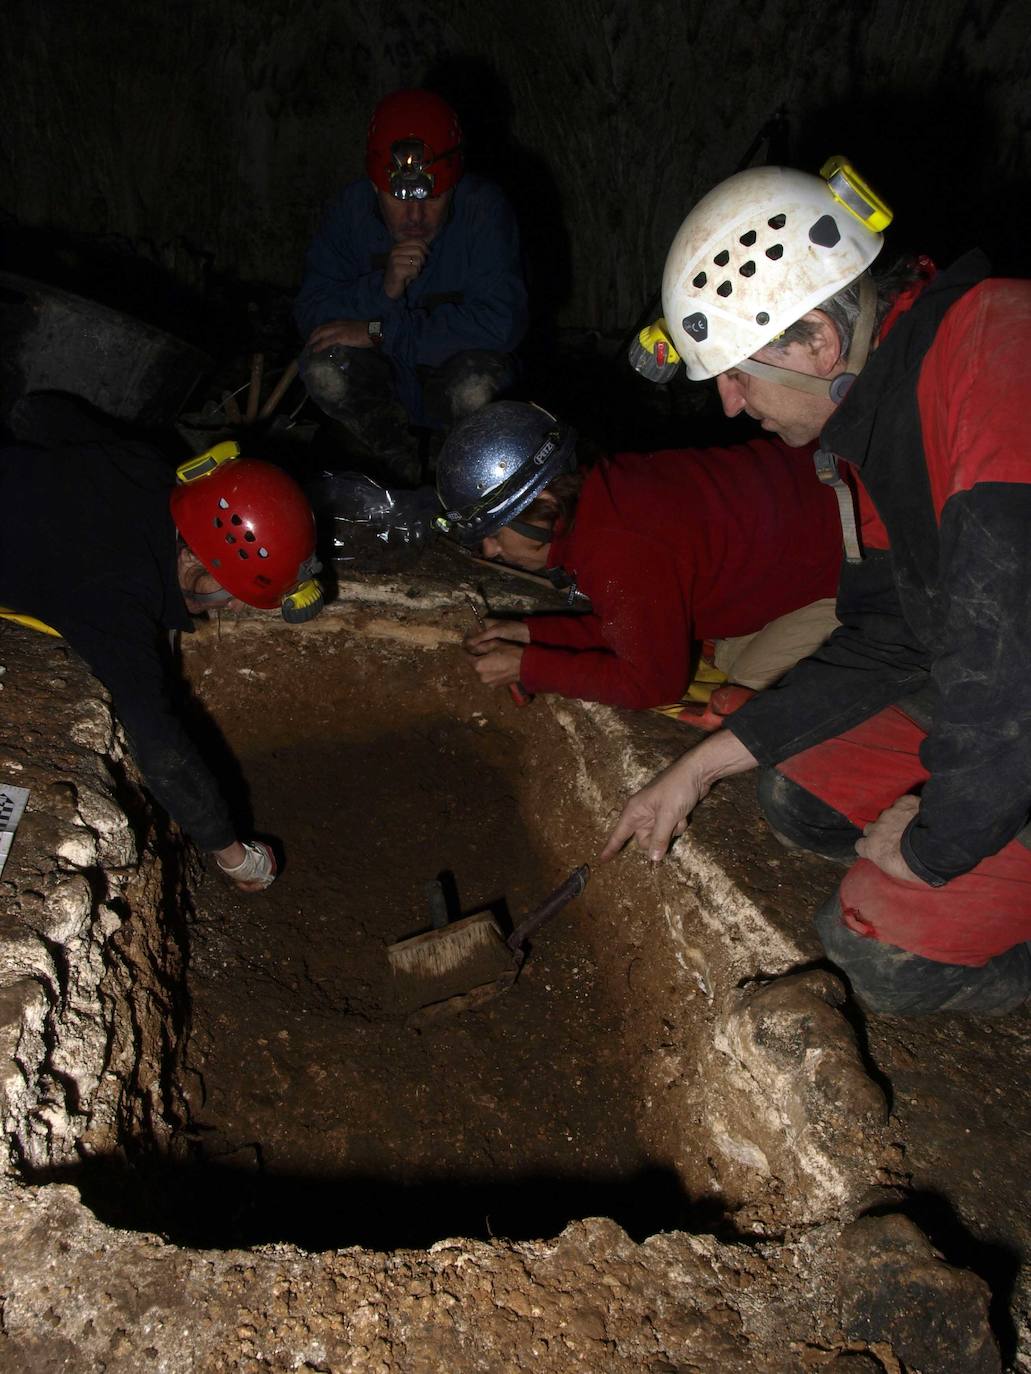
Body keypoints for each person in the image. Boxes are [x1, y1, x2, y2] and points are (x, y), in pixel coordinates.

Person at [601, 159, 1031, 1015]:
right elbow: (889, 637)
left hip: (1014, 694)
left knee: (872, 948)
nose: (727, 404)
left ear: (818, 345)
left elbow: (1007, 668)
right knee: (798, 793)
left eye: (736, 373)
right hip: (998, 692)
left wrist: (934, 845)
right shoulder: (874, 419)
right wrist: (694, 771)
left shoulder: (995, 359)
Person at [0, 395, 324, 893]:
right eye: (232, 599)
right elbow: (160, 746)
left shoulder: (150, 470)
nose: (231, 611)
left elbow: (36, 412)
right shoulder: (114, 596)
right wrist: (235, 856)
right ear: (195, 566)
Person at [435, 400, 843, 714]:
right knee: (731, 651)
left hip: (856, 567)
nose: (491, 551)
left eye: (493, 533)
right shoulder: (605, 493)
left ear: (543, 503)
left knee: (747, 689)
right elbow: (629, 622)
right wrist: (532, 635)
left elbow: (653, 686)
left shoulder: (616, 546)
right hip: (812, 520)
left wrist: (527, 667)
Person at [294, 88, 528, 485]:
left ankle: (458, 472)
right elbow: (310, 310)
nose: (415, 216)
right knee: (324, 367)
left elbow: (502, 324)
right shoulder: (350, 212)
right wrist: (381, 290)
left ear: (454, 187)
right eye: (398, 199)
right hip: (388, 385)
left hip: (449, 378)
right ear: (374, 187)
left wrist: (380, 331)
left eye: (433, 197)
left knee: (476, 388)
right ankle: (392, 471)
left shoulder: (483, 211)